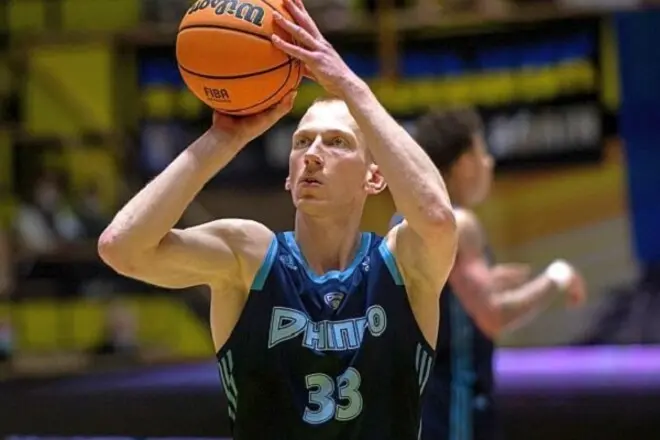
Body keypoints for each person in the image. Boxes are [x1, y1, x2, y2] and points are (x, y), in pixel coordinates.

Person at [98, 1, 457, 439]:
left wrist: (351, 87)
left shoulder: (403, 264)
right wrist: (222, 139)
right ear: (288, 177)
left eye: (337, 142)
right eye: (302, 142)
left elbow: (437, 217)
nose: (313, 154)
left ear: (375, 177)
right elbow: (122, 248)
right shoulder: (249, 258)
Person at [390, 108, 587, 440]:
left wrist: (484, 283)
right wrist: (556, 277)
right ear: (465, 163)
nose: (489, 163)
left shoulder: (402, 223)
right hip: (453, 408)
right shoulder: (460, 224)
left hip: (414, 407)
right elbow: (493, 315)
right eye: (483, 152)